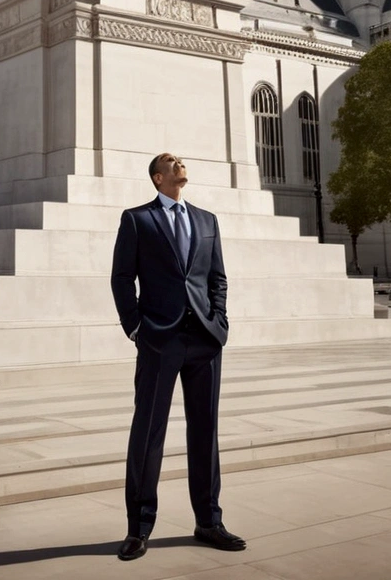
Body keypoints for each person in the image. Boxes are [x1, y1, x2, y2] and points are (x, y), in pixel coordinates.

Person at [110, 153, 246, 561]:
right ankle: (139, 528)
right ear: (158, 177)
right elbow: (121, 277)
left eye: (181, 160)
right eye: (171, 162)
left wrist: (219, 321)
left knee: (205, 433)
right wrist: (136, 327)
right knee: (148, 434)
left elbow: (216, 277)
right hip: (159, 341)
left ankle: (209, 521)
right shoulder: (137, 219)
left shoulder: (207, 220)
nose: (180, 164)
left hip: (204, 340)